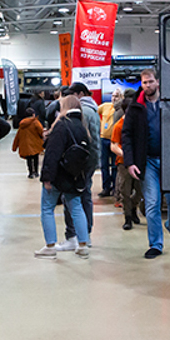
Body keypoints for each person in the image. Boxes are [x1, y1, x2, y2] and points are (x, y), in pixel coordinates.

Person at [121, 67, 170, 259]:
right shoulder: (135, 107)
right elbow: (126, 136)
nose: (147, 85)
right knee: (152, 204)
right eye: (144, 82)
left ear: (157, 82)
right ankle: (156, 244)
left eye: (150, 81)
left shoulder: (169, 103)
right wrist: (130, 162)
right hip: (147, 162)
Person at [35, 93, 92, 259]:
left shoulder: (61, 125)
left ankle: (50, 245)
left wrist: (47, 177)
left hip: (58, 176)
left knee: (47, 208)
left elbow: (52, 154)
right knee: (76, 208)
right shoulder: (82, 127)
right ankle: (83, 244)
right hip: (74, 175)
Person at [62, 81, 99, 244]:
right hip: (89, 159)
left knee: (71, 196)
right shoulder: (94, 110)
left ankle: (73, 235)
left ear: (80, 95)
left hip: (76, 160)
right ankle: (87, 233)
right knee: (86, 195)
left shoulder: (80, 112)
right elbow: (96, 140)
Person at [112, 89, 143, 230]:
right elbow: (113, 145)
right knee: (125, 191)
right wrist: (125, 154)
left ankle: (133, 208)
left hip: (139, 162)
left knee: (140, 190)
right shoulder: (119, 125)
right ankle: (128, 217)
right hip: (123, 164)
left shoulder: (141, 125)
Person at [97, 87, 121, 198]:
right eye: (113, 96)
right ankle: (106, 187)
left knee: (115, 166)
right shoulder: (105, 106)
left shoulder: (121, 109)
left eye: (117, 96)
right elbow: (94, 111)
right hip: (104, 139)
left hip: (115, 141)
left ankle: (115, 188)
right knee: (104, 165)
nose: (114, 98)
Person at [12, 109, 45, 178]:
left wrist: (14, 147)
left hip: (26, 145)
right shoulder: (36, 122)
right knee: (35, 158)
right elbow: (41, 131)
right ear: (33, 114)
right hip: (35, 144)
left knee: (29, 160)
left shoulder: (22, 124)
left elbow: (18, 136)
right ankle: (36, 172)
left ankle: (30, 173)